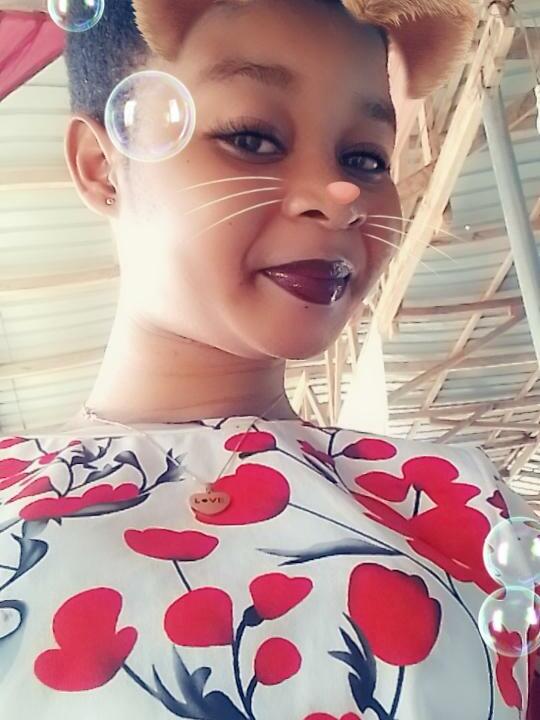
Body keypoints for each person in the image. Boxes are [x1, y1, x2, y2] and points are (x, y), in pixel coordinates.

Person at [1, 1, 538, 718]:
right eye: (252, 138)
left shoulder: (465, 500)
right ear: (103, 167)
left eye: (366, 158)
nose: (342, 198)